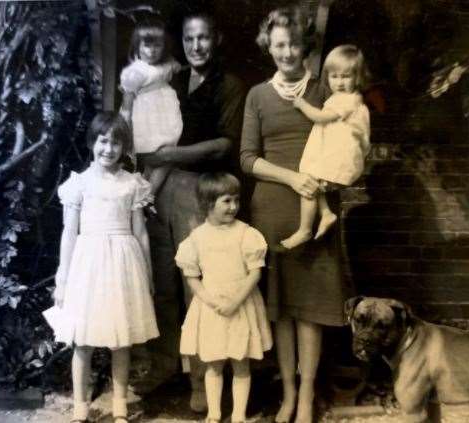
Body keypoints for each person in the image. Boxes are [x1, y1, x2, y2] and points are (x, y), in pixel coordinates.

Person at [240, 6, 350, 423]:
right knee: (282, 308)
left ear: (306, 46)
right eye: (278, 44)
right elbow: (248, 158)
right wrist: (293, 178)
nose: (286, 52)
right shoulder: (257, 95)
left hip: (317, 212)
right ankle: (287, 393)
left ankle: (306, 396)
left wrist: (320, 183)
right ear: (269, 47)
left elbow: (344, 151)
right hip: (274, 209)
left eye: (293, 44)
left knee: (311, 308)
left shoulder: (325, 92)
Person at [138, 10, 246, 413]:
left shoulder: (229, 84)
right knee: (163, 283)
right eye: (188, 39)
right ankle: (166, 365)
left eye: (202, 38)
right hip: (162, 184)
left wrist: (169, 154)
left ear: (215, 39)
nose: (196, 46)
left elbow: (224, 144)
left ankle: (203, 378)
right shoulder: (172, 81)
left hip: (200, 189)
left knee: (195, 285)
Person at [50, 112, 159, 423]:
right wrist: (62, 278)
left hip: (124, 262)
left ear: (124, 147)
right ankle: (81, 405)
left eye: (116, 142)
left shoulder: (132, 184)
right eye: (103, 141)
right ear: (92, 143)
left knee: (120, 338)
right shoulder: (79, 183)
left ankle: (120, 403)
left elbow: (140, 233)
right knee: (82, 340)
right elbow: (69, 233)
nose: (109, 149)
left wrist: (148, 274)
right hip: (88, 263)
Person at [174, 172, 272, 423]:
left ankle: (238, 414)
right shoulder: (197, 238)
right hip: (212, 308)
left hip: (241, 304)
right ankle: (214, 412)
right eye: (226, 201)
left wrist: (235, 301)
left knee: (241, 363)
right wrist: (210, 300)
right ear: (208, 204)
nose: (234, 207)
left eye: (236, 200)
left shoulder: (246, 234)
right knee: (214, 363)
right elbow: (192, 276)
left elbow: (255, 273)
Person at [281, 45, 370, 249]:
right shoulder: (345, 99)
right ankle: (327, 213)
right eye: (334, 76)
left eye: (346, 76)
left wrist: (302, 104)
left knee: (308, 187)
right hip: (336, 154)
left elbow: (321, 117)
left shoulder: (347, 101)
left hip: (338, 158)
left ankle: (304, 230)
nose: (339, 82)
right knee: (313, 180)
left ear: (357, 78)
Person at [119, 16, 183, 203]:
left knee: (161, 159)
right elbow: (127, 105)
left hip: (166, 117)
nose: (152, 51)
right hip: (148, 121)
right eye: (147, 45)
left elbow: (177, 68)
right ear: (137, 46)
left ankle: (141, 199)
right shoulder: (135, 72)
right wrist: (126, 129)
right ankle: (147, 198)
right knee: (160, 159)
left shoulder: (167, 63)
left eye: (158, 45)